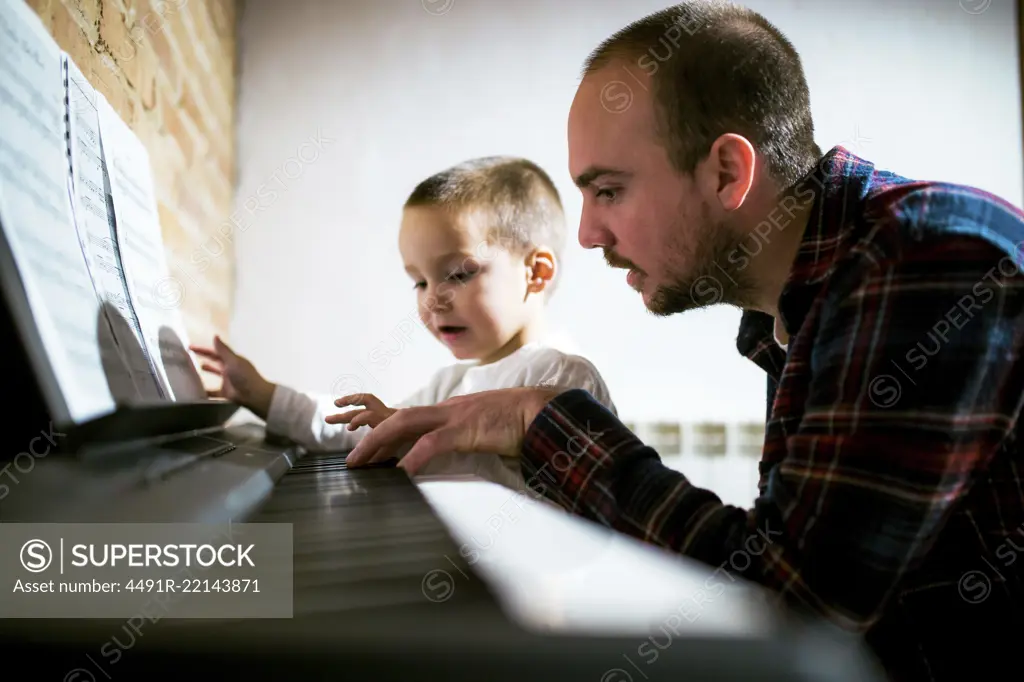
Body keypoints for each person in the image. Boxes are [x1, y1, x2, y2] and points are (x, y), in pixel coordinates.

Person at [342, 2, 1024, 680]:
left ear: (727, 171)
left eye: (608, 190)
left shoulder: (925, 257)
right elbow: (776, 564)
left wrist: (540, 420)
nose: (587, 235)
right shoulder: (804, 302)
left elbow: (797, 606)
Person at [191, 155, 616, 491]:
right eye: (418, 281)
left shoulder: (564, 378)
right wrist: (262, 394)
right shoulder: (450, 384)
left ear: (536, 272)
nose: (433, 298)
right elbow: (359, 432)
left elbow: (584, 509)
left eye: (460, 273)